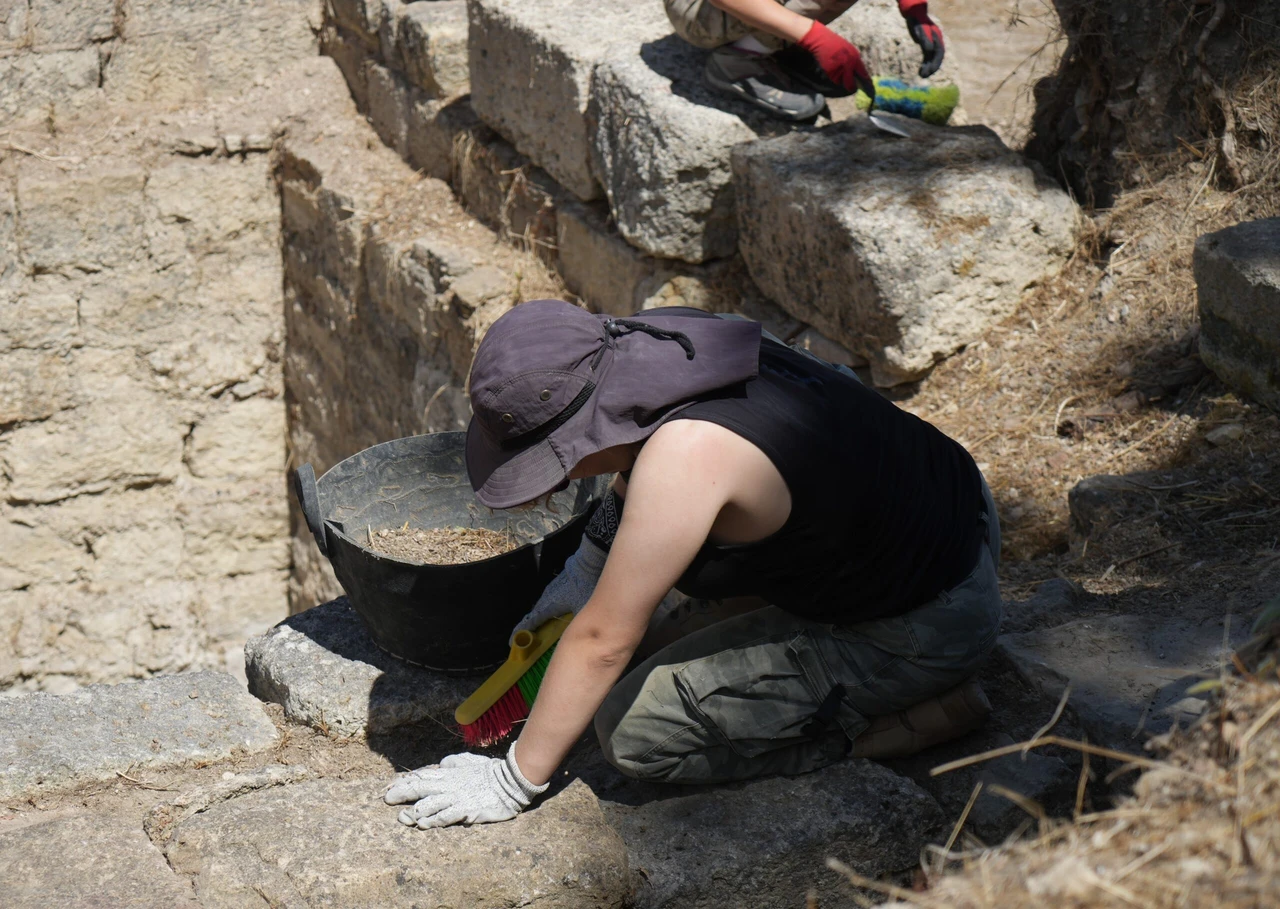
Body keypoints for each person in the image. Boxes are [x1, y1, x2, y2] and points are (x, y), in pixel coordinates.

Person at [384, 300, 1000, 829]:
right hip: (946, 513)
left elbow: (603, 640)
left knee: (635, 731)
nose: (549, 486)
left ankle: (906, 720)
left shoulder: (688, 456)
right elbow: (631, 467)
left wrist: (512, 782)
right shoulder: (652, 339)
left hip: (924, 621)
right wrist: (582, 574)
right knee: (644, 646)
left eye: (553, 464)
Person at [668, 0, 945, 121]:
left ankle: (773, 43)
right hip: (696, 10)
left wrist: (914, 8)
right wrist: (813, 37)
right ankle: (738, 62)